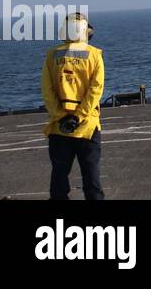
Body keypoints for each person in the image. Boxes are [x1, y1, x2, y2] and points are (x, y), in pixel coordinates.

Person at [41, 11, 105, 200]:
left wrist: (61, 116)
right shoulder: (94, 55)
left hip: (59, 128)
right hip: (87, 126)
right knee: (91, 177)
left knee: (59, 178)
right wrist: (78, 116)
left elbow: (47, 90)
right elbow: (96, 89)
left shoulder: (52, 56)